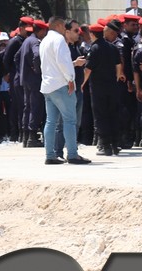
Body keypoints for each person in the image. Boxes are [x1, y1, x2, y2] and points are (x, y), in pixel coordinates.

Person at [39, 17, 91, 165]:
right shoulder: (59, 40)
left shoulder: (44, 41)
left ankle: (50, 154)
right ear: (60, 25)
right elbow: (63, 62)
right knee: (70, 120)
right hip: (61, 84)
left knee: (51, 121)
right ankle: (73, 154)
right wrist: (70, 79)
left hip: (48, 85)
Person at [85, 21, 124, 157]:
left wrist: (81, 84)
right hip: (112, 86)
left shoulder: (94, 48)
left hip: (98, 88)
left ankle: (105, 146)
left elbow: (88, 69)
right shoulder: (112, 47)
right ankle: (115, 144)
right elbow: (119, 65)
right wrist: (118, 77)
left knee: (101, 116)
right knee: (113, 114)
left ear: (92, 34)